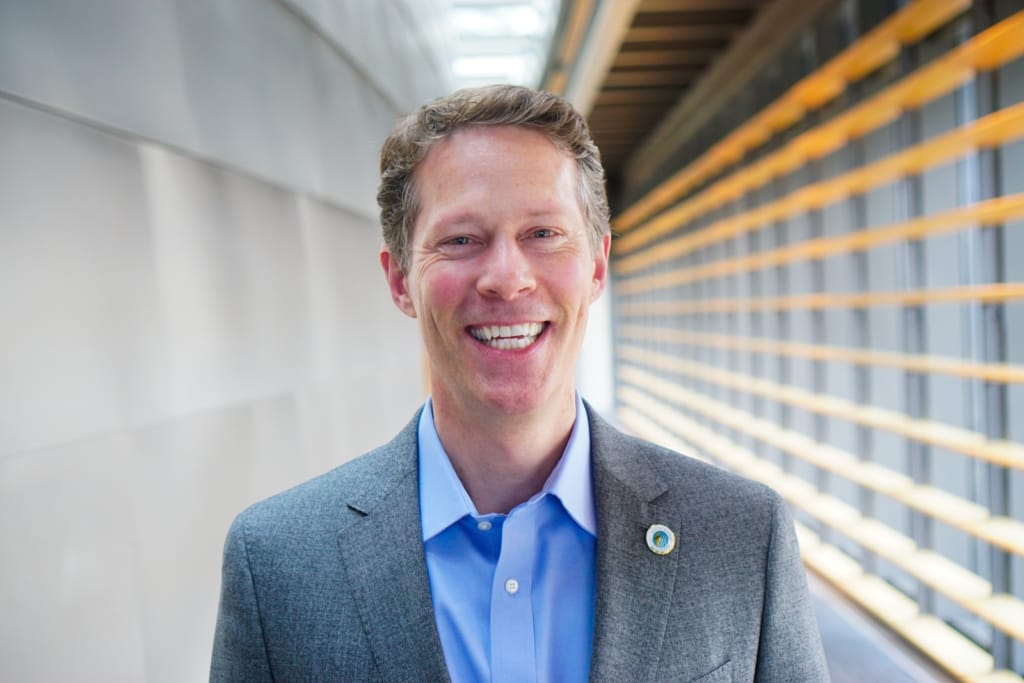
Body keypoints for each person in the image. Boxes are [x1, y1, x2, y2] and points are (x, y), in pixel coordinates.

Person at [210, 85, 829, 682]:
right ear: (400, 280)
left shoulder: (742, 537)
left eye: (543, 234)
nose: (507, 278)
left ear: (596, 265)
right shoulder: (279, 563)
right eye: (461, 240)